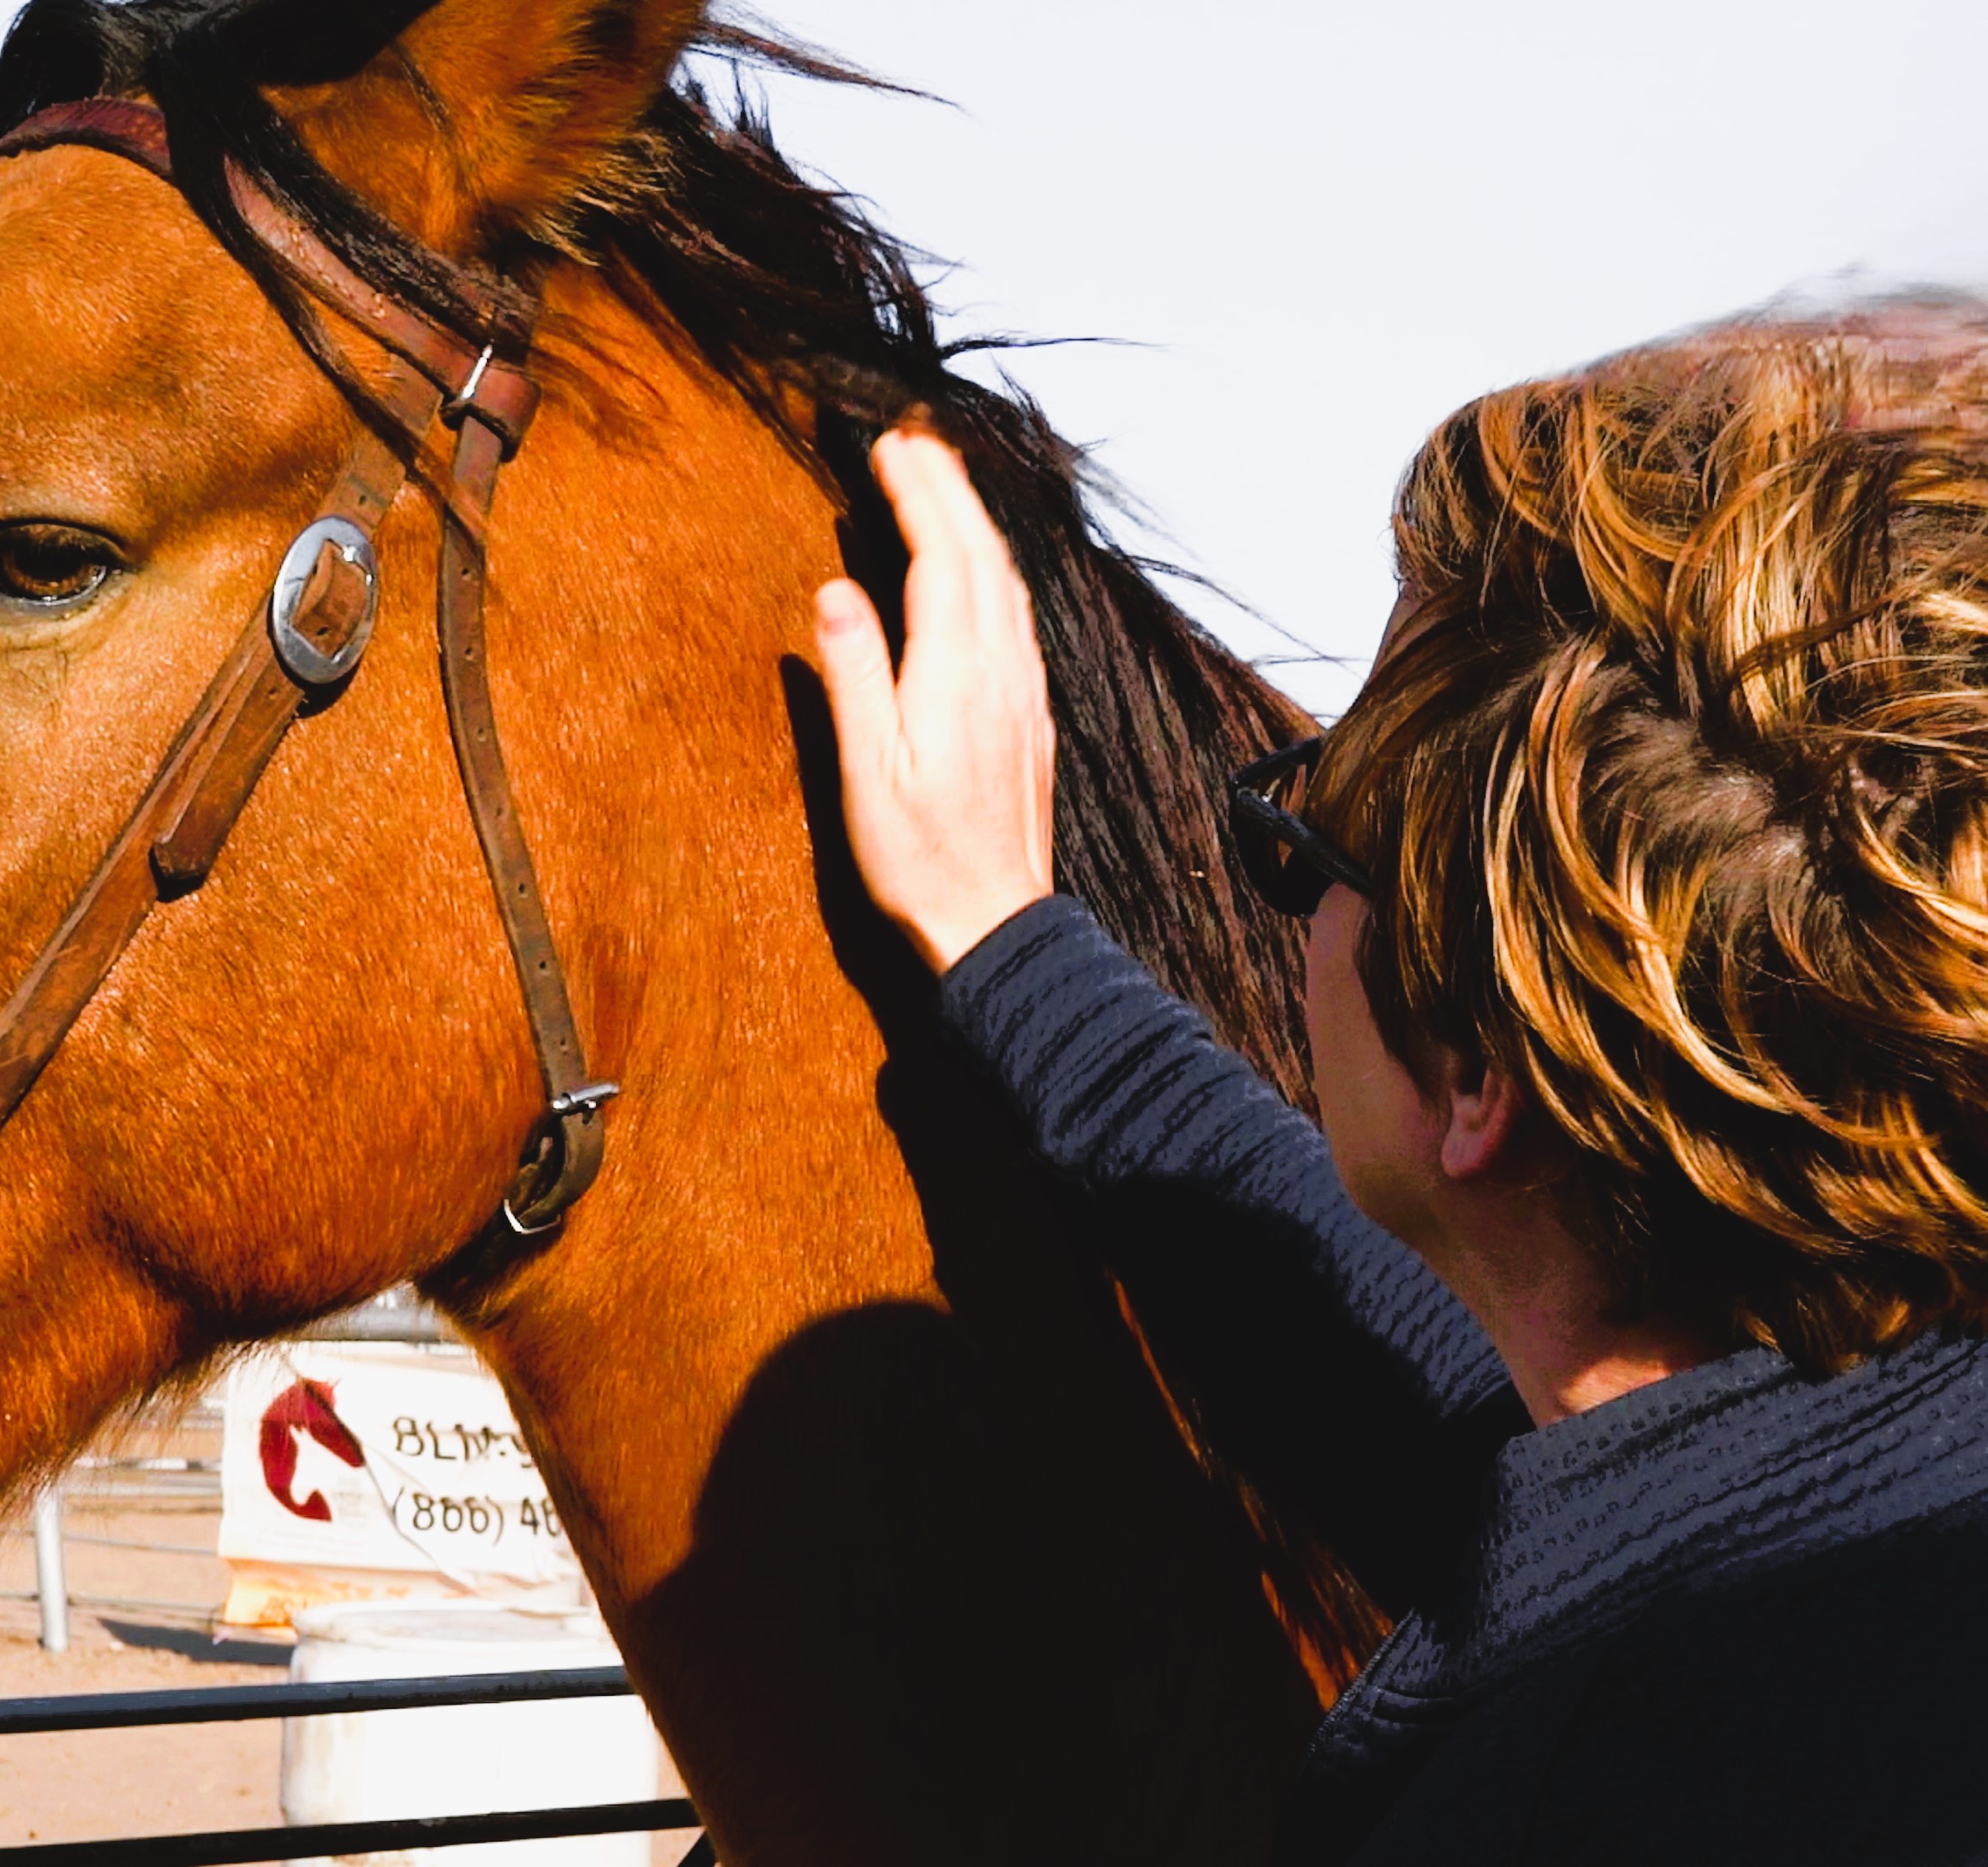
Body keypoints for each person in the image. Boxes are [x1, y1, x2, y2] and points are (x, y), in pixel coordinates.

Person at [814, 301, 1988, 1863]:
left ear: (1467, 1073)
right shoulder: (1885, 1485)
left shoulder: (1584, 1796)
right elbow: (1446, 1417)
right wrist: (1007, 935)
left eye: (1299, 852)